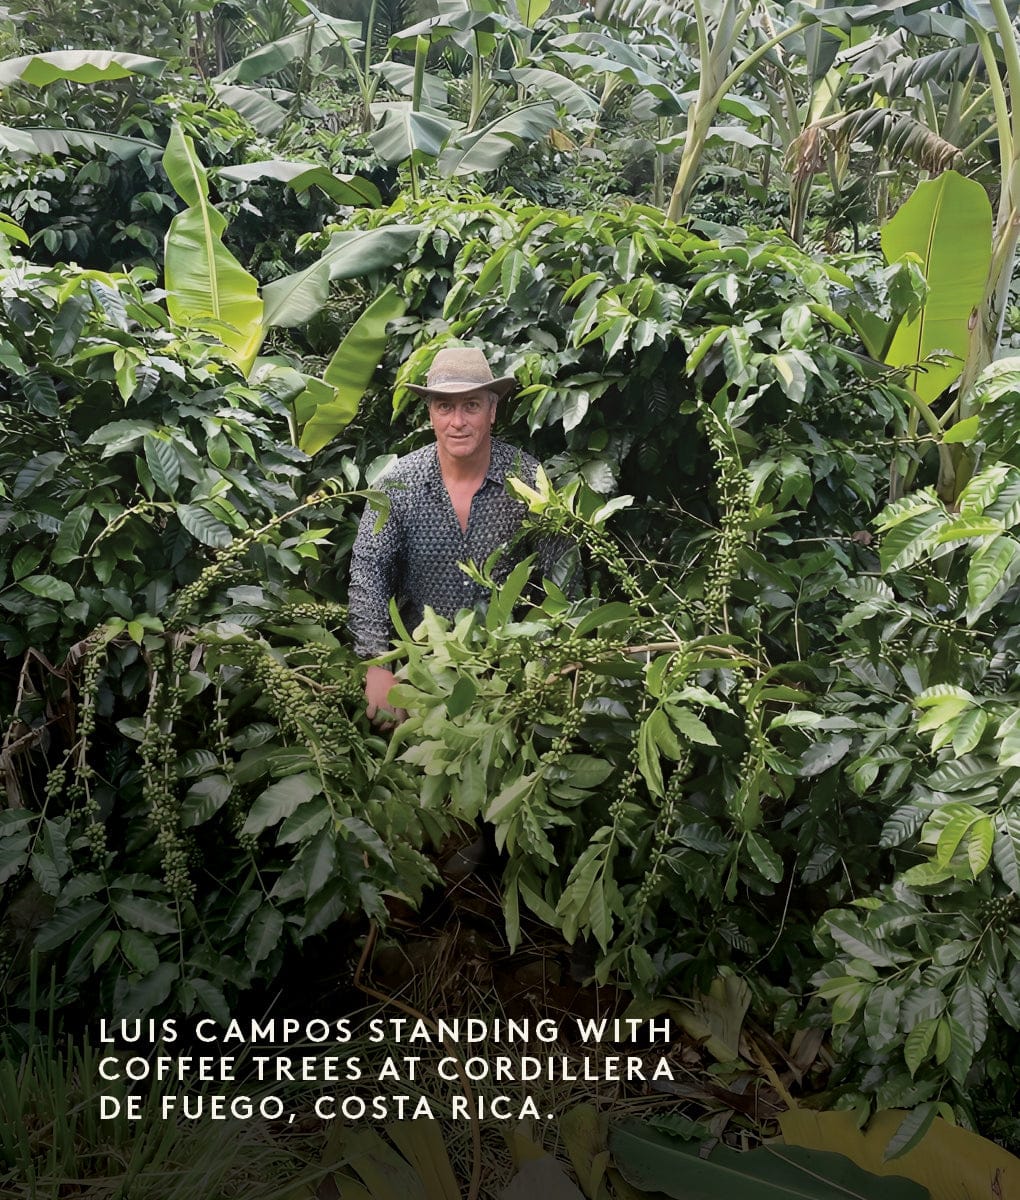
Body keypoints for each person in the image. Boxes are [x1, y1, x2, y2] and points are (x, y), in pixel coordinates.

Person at [348, 345, 571, 724]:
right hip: (419, 679)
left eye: (471, 406)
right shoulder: (398, 485)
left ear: (492, 410)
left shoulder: (528, 479)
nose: (457, 422)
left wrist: (550, 662)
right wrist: (375, 664)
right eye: (445, 407)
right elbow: (369, 570)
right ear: (431, 413)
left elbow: (563, 577)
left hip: (507, 681)